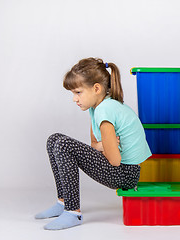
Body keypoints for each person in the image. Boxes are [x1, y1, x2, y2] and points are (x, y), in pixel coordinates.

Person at [35, 58, 151, 230]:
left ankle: (73, 212)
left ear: (96, 89)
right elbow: (95, 145)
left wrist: (105, 147)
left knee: (63, 145)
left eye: (78, 93)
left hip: (125, 174)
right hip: (118, 167)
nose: (74, 99)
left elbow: (115, 160)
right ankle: (63, 201)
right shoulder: (95, 108)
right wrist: (104, 145)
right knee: (54, 139)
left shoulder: (106, 110)